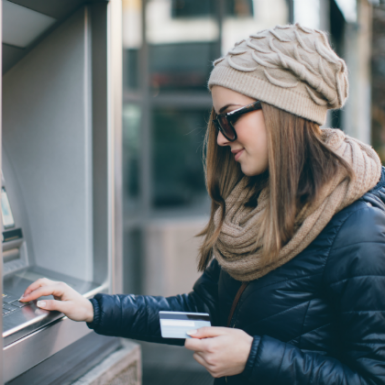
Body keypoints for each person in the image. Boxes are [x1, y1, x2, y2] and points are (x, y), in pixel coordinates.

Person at [20, 23, 385, 384]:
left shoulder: (359, 229)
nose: (222, 140)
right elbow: (200, 314)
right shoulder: (258, 205)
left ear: (280, 110)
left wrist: (254, 357)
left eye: (228, 117)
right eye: (216, 122)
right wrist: (92, 310)